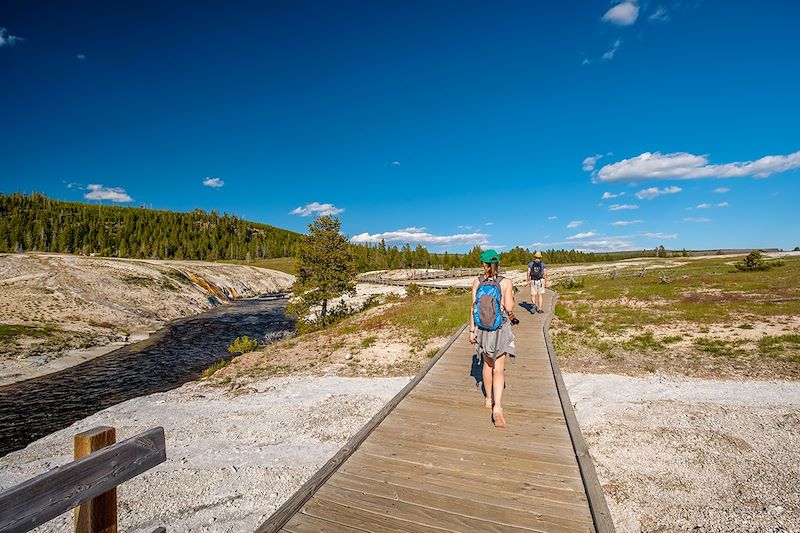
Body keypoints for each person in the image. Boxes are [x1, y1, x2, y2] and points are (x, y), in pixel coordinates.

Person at [469, 249, 518, 428]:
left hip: (482, 329)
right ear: (497, 263)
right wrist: (511, 296)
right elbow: (510, 307)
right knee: (499, 369)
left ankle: (488, 399)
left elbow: (473, 308)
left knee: (486, 366)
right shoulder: (506, 282)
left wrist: (471, 332)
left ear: (483, 264)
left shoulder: (477, 282)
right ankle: (498, 407)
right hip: (500, 329)